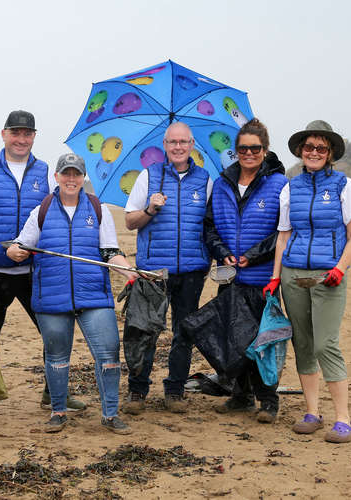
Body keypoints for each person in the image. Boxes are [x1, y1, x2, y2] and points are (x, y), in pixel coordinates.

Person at [0, 110, 86, 419]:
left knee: (53, 334)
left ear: (34, 137)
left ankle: (53, 392)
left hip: (35, 272)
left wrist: (32, 250)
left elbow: (58, 215)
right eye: (15, 132)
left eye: (27, 133)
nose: (21, 139)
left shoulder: (46, 172)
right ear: (3, 134)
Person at [6, 153, 135, 435]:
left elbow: (110, 252)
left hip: (94, 296)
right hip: (52, 298)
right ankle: (58, 411)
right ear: (57, 177)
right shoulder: (41, 210)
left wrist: (127, 271)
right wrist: (15, 251)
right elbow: (19, 246)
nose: (71, 179)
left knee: (109, 354)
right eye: (66, 173)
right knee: (56, 357)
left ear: (83, 178)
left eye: (76, 174)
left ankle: (110, 415)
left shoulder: (98, 210)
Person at [264, 120, 351, 443]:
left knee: (326, 344)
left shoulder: (344, 186)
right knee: (303, 344)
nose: (314, 152)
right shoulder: (291, 187)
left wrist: (340, 269)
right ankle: (311, 412)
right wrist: (276, 276)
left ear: (330, 152)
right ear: (300, 151)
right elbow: (283, 235)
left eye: (321, 147)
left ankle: (343, 419)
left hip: (328, 277)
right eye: (309, 147)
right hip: (293, 274)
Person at [121, 122, 213, 415]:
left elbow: (212, 226)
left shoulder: (205, 180)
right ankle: (137, 390)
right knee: (145, 331)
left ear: (192, 144)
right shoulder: (148, 177)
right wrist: (150, 209)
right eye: (172, 142)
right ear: (164, 145)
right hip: (153, 271)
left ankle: (175, 390)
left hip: (191, 271)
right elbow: (129, 222)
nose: (178, 147)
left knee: (184, 332)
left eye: (183, 142)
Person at [205, 118, 288, 423]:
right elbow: (209, 227)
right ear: (236, 150)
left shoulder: (279, 184)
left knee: (261, 340)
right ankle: (240, 397)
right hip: (230, 276)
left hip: (262, 278)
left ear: (265, 150)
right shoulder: (223, 183)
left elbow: (283, 231)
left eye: (255, 148)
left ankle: (268, 401)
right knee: (233, 338)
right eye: (243, 148)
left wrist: (253, 256)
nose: (249, 153)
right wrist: (223, 254)